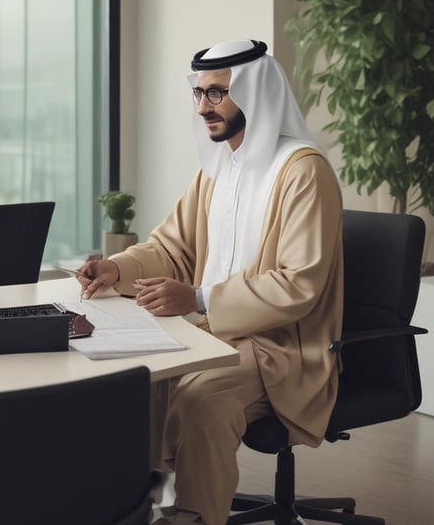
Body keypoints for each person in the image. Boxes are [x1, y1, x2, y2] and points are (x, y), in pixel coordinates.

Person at [77, 40, 343, 525]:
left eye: (218, 94)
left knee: (202, 399)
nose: (203, 107)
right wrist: (119, 267)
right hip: (211, 330)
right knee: (135, 379)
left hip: (282, 348)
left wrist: (198, 297)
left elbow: (298, 284)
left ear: (256, 92)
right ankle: (138, 507)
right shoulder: (217, 168)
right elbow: (172, 248)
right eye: (199, 94)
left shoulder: (303, 171)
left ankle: (197, 515)